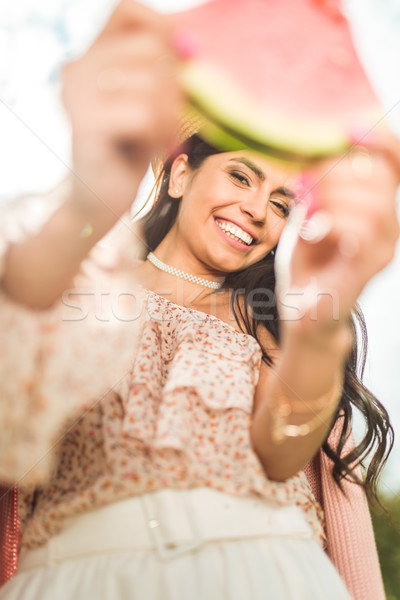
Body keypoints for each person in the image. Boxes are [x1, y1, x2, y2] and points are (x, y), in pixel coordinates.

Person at [0, 1, 399, 598]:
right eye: (240, 176)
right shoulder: (82, 280)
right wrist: (88, 201)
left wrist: (321, 324)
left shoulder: (270, 319)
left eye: (284, 202)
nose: (258, 211)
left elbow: (280, 453)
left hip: (267, 571)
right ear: (180, 174)